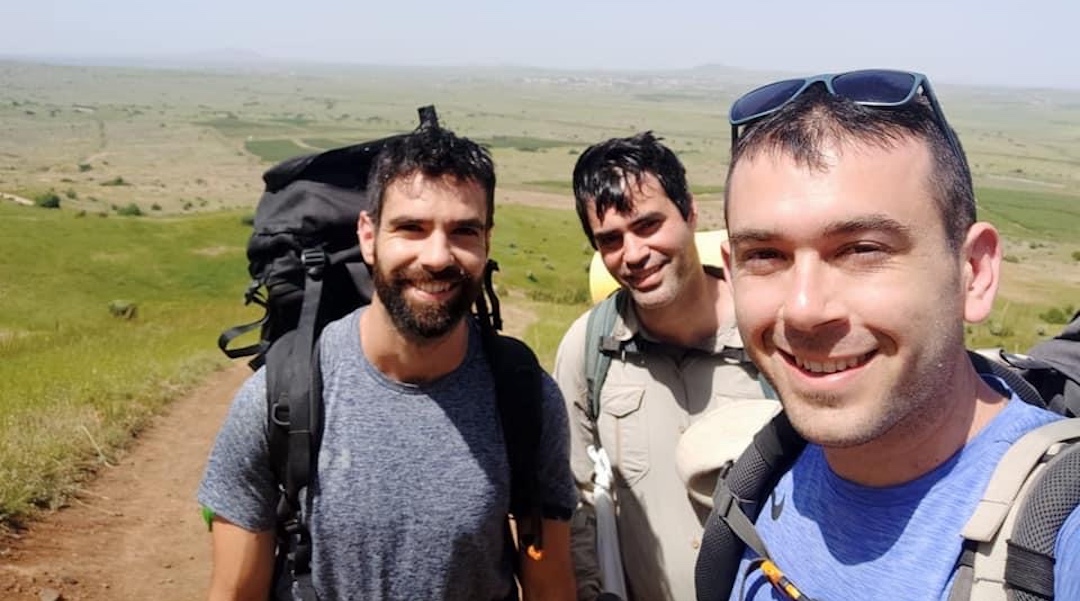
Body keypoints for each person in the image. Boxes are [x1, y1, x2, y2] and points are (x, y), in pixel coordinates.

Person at [712, 69, 1080, 600]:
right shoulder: (760, 478)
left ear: (973, 271)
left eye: (862, 249)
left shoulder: (1057, 530)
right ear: (731, 274)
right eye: (765, 256)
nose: (804, 309)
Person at [198, 125, 577, 601]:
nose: (438, 256)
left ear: (487, 243)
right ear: (368, 236)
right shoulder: (282, 398)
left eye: (464, 231)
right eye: (411, 228)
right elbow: (235, 592)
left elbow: (550, 585)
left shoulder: (525, 397)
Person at [553, 132, 774, 601]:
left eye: (649, 225)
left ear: (690, 212)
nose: (633, 254)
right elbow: (576, 505)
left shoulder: (772, 335)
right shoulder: (589, 350)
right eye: (610, 240)